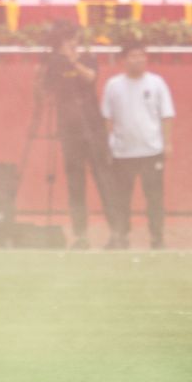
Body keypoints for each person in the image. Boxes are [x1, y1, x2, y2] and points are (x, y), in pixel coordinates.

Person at [100, 39, 175, 249]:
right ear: (123, 60)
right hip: (122, 152)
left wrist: (167, 143)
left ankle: (157, 238)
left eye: (142, 55)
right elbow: (106, 118)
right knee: (121, 199)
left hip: (152, 150)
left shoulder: (157, 83)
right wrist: (107, 145)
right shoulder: (113, 85)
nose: (139, 59)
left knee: (154, 198)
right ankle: (120, 236)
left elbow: (167, 115)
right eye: (133, 56)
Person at [42, 25, 109, 249]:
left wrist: (73, 61)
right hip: (69, 131)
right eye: (66, 39)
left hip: (93, 128)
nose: (71, 43)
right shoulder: (54, 63)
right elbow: (45, 92)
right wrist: (43, 70)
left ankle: (117, 231)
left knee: (103, 179)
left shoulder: (88, 58)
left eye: (74, 38)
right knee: (76, 185)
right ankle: (81, 235)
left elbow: (90, 78)